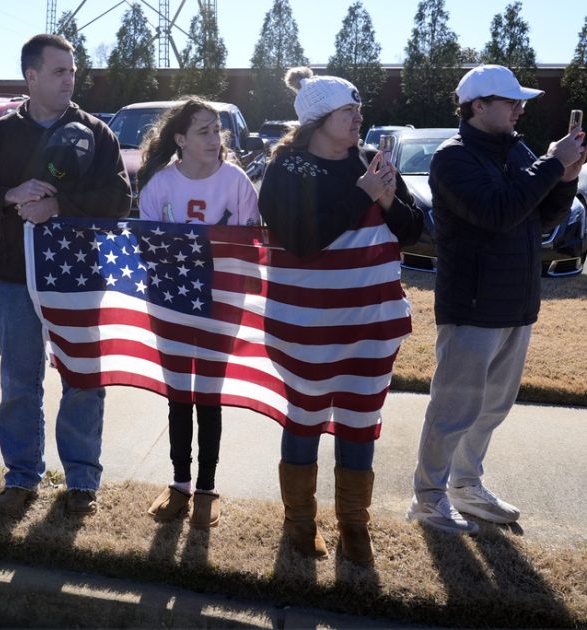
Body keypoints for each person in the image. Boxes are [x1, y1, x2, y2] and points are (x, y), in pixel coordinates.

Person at [0, 34, 131, 516]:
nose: (69, 79)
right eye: (58, 71)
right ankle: (22, 477)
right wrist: (11, 196)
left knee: (82, 380)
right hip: (14, 278)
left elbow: (119, 203)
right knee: (19, 382)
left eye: (72, 71)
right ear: (31, 77)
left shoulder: (97, 133)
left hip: (79, 280)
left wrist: (59, 207)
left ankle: (81, 480)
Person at [407, 65, 586, 534]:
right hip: (472, 304)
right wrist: (550, 165)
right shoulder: (453, 157)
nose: (520, 109)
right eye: (511, 102)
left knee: (493, 408)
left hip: (516, 301)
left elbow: (542, 217)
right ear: (478, 107)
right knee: (454, 409)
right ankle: (428, 498)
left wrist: (565, 176)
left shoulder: (515, 148)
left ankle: (466, 486)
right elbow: (496, 212)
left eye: (520, 102)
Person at [258, 67, 423, 565]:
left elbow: (414, 232)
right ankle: (300, 522)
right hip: (305, 324)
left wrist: (390, 199)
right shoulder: (287, 168)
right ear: (318, 118)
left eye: (358, 109)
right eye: (348, 111)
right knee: (306, 418)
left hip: (371, 322)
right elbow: (303, 241)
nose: (359, 118)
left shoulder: (374, 162)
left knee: (359, 419)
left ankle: (355, 524)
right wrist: (365, 194)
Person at [137, 97, 260, 529]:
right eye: (203, 131)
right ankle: (180, 484)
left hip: (220, 305)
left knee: (208, 395)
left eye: (217, 130)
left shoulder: (237, 183)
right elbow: (145, 249)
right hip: (171, 303)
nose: (214, 139)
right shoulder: (159, 186)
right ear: (181, 139)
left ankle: (207, 488)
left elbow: (250, 250)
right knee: (178, 395)